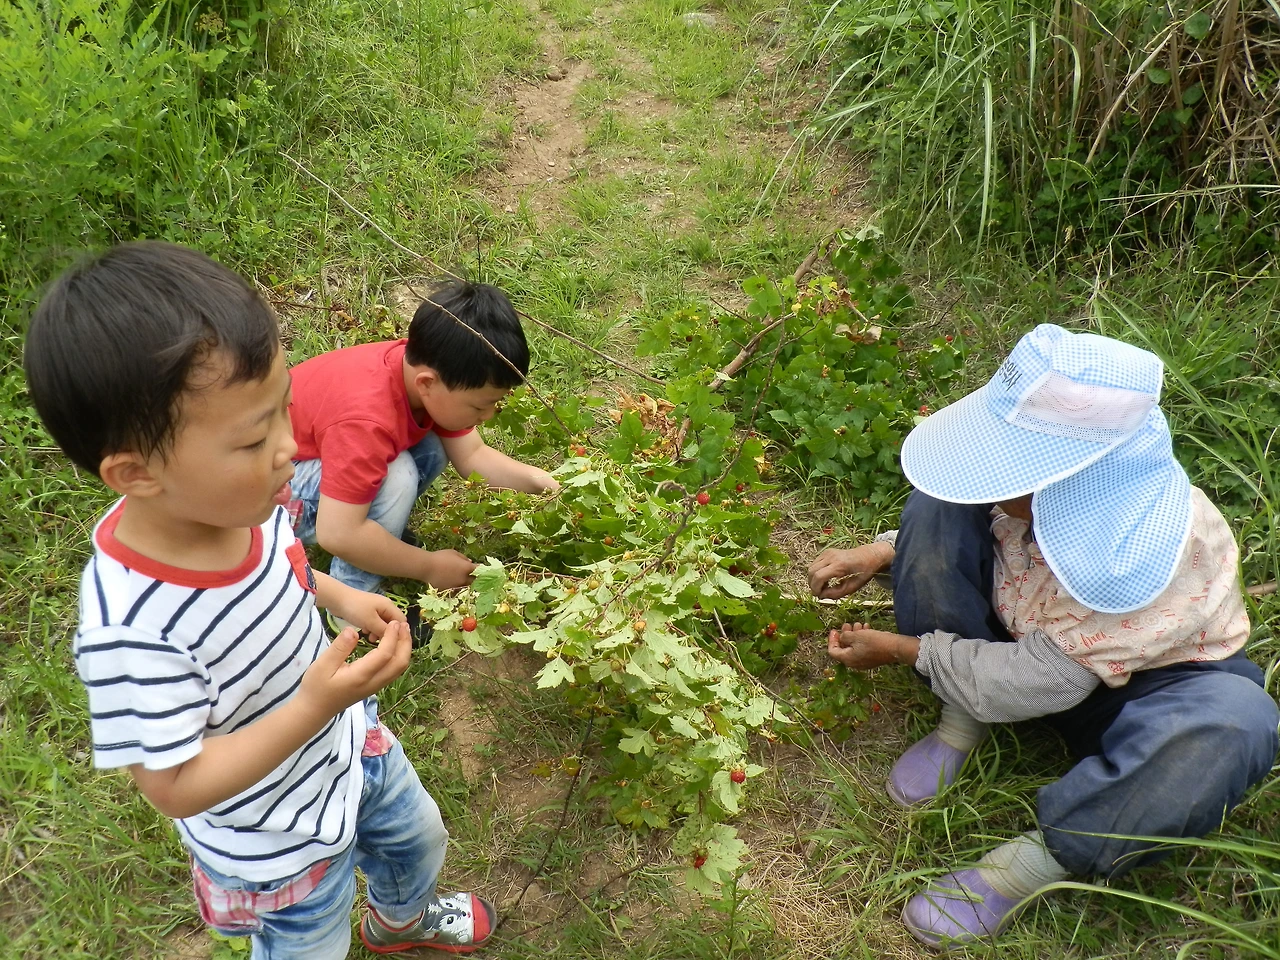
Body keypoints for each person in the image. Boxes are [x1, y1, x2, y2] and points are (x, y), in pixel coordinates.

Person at [24, 242, 495, 958]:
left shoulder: (250, 505)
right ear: (136, 473)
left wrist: (339, 596)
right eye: (253, 439)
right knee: (311, 942)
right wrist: (314, 704)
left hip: (351, 751)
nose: (287, 451)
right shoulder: (132, 627)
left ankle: (400, 923)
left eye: (283, 414)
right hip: (276, 839)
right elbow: (175, 786)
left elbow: (291, 563)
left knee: (418, 839)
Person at [808, 324, 1278, 949]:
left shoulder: (1146, 551)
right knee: (938, 505)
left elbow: (1044, 677)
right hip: (1030, 637)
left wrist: (905, 651)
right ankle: (964, 715)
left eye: (1014, 472)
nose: (998, 484)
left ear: (1075, 486)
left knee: (1236, 722)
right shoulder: (1045, 500)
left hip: (1136, 690)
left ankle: (1030, 865)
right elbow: (999, 540)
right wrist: (876, 554)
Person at [287, 281, 559, 596]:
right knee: (397, 475)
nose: (489, 415)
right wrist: (428, 566)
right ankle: (355, 601)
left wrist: (545, 483)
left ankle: (381, 540)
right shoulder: (365, 419)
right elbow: (338, 534)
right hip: (269, 498)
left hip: (312, 467)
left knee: (431, 448)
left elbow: (472, 456)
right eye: (480, 405)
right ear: (427, 383)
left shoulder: (423, 371)